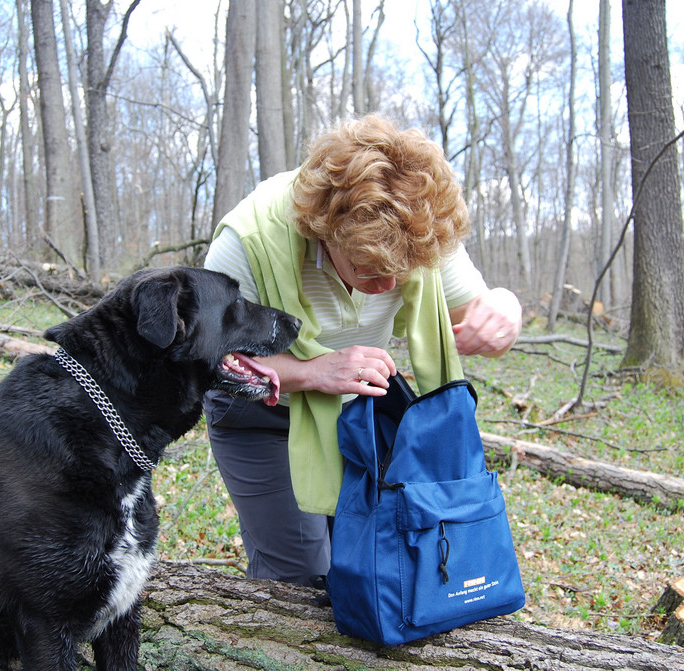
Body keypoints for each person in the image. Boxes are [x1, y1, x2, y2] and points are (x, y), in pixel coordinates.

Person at [202, 115, 522, 587]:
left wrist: (505, 309)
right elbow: (212, 361)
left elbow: (481, 310)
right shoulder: (248, 241)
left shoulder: (421, 226)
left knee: (368, 559)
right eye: (369, 269)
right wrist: (312, 371)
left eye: (404, 270)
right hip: (259, 415)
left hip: (355, 415)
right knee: (301, 576)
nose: (389, 286)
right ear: (324, 230)